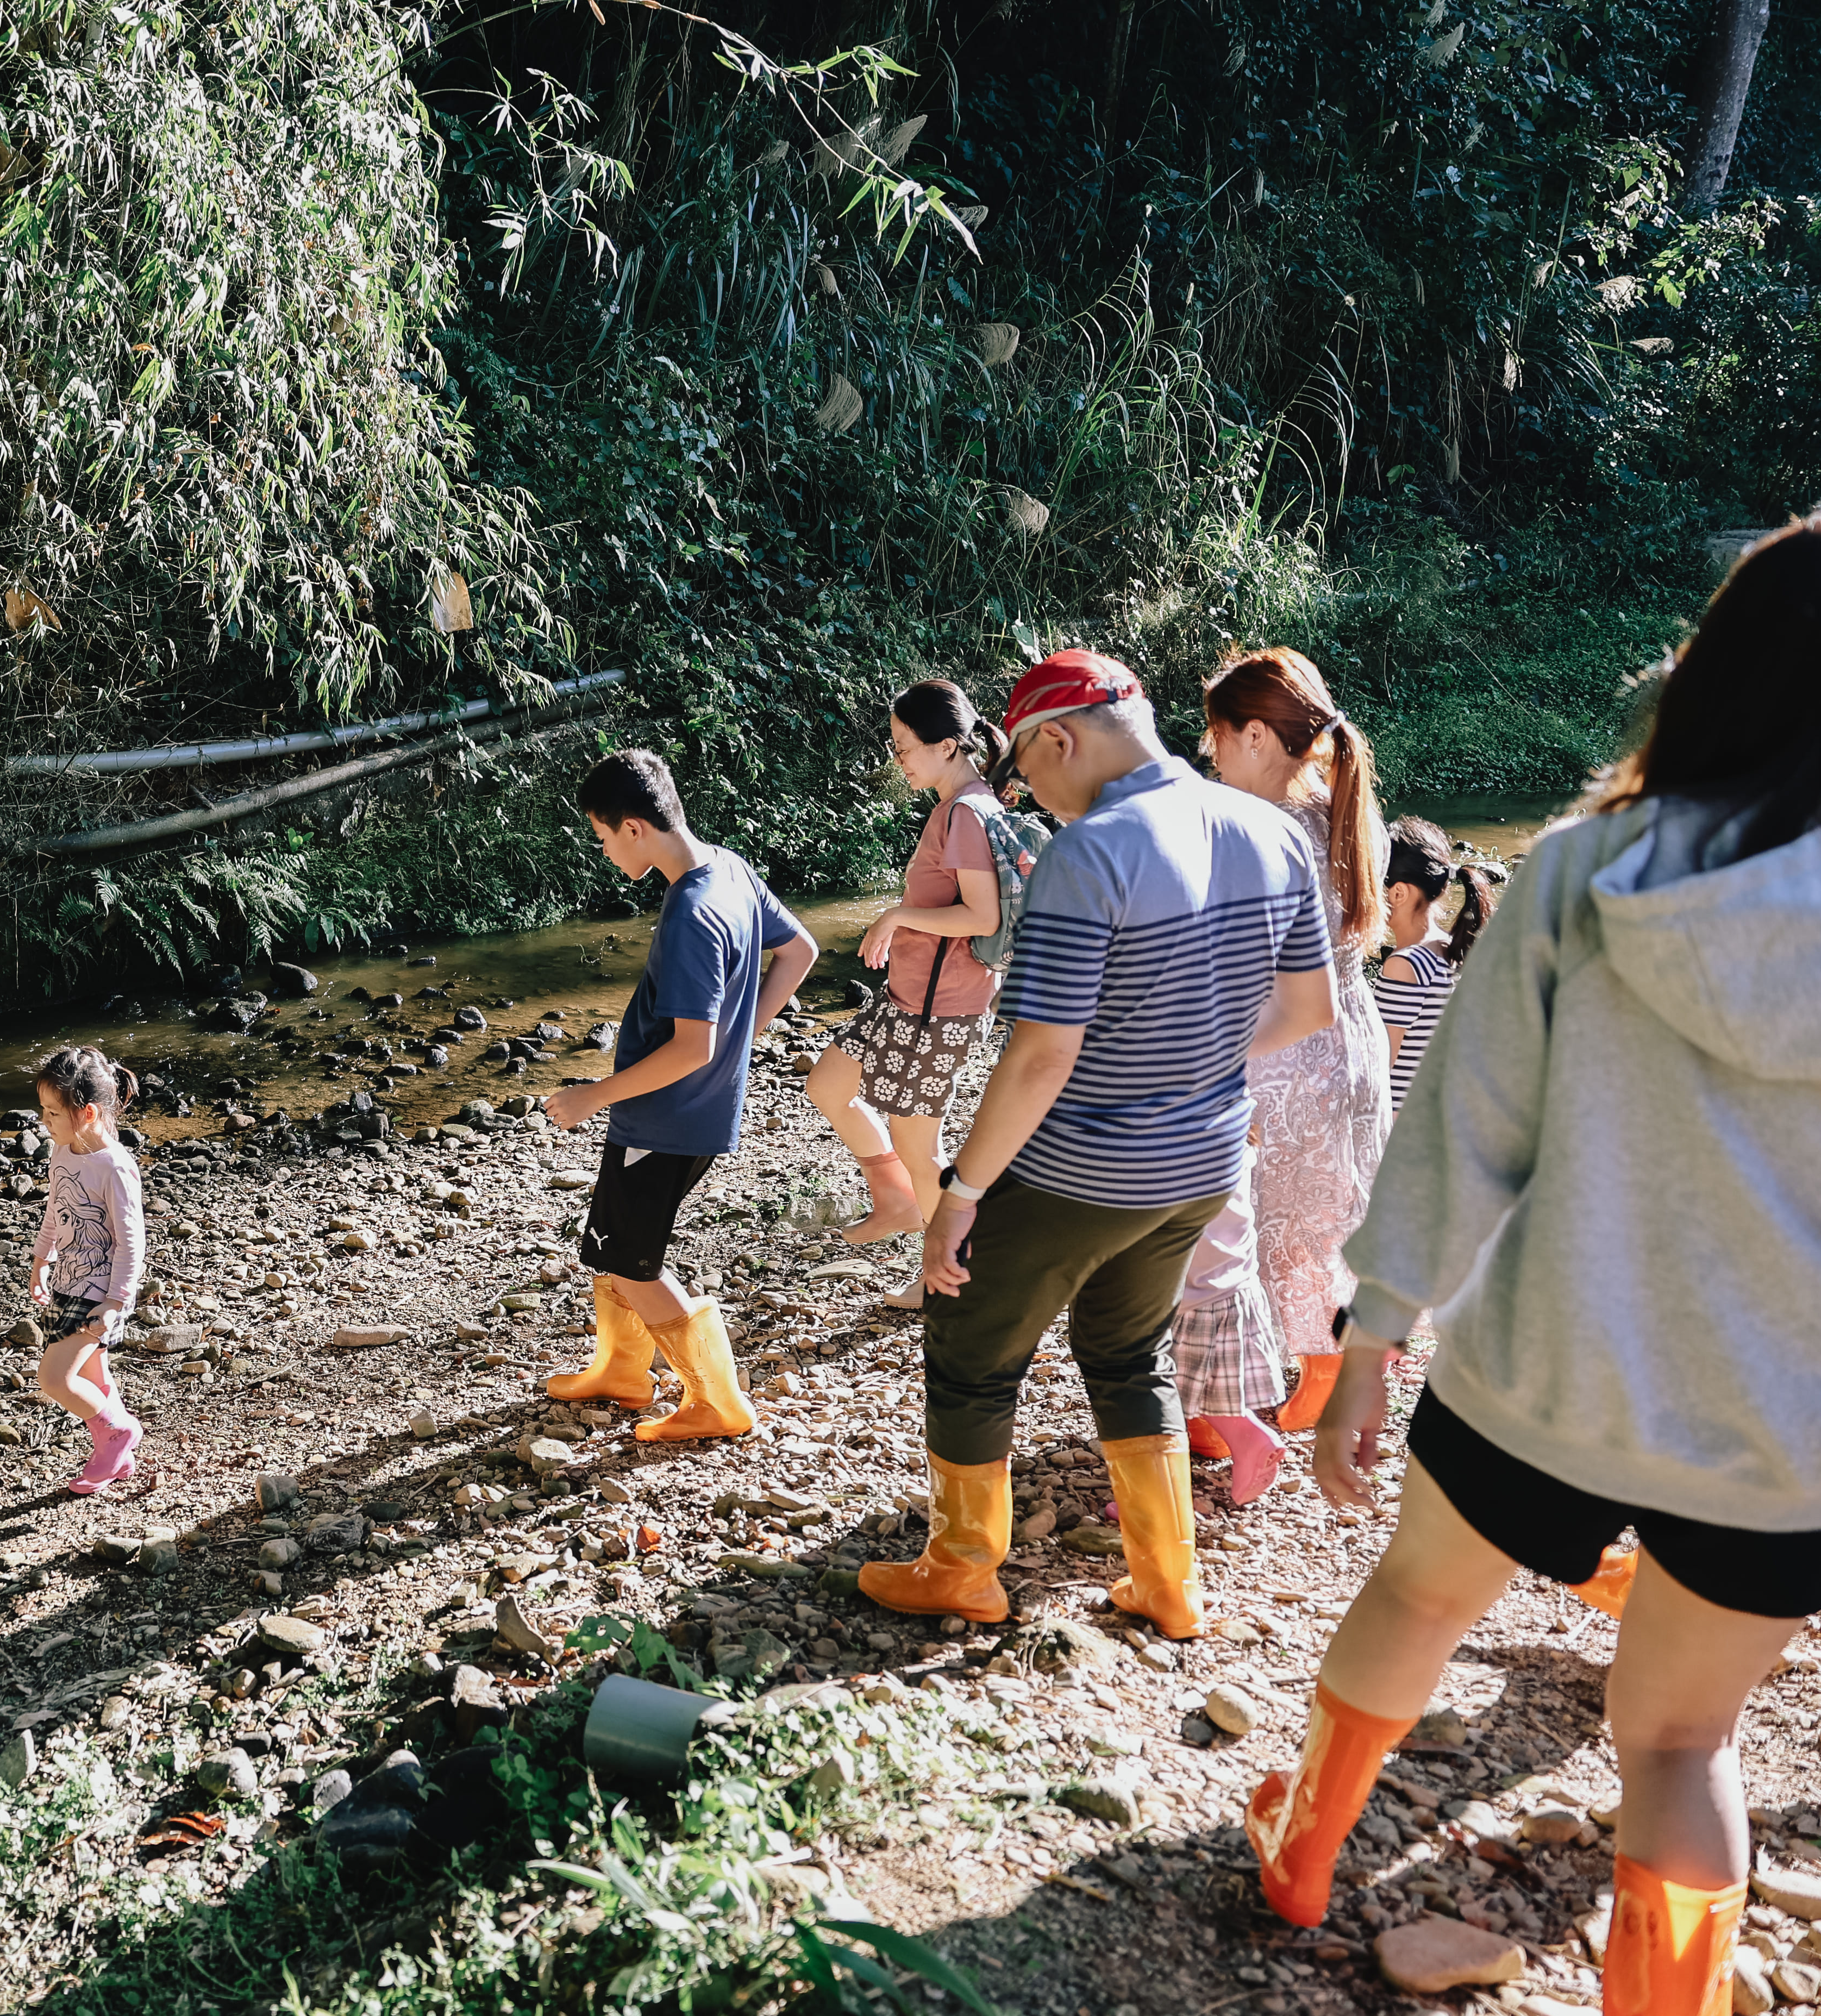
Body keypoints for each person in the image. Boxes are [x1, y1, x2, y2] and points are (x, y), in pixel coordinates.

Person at [1244, 508, 1821, 2016]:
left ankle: (1300, 1856)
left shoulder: (1582, 872)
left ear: (1716, 666)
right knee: (1678, 1740)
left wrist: (1372, 1332)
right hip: (1794, 1423)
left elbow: (1468, 1123)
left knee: (1413, 1594)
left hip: (1542, 1375)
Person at [862, 650, 1337, 1638]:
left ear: (1059, 739)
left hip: (1083, 1171)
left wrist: (959, 1193)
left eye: (1028, 771)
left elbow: (1040, 1058)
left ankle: (962, 1570)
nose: (1030, 792)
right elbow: (1309, 1008)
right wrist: (1191, 1062)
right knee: (1128, 1354)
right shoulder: (1271, 831)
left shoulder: (1092, 852)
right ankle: (1170, 1587)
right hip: (1203, 1164)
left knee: (968, 1345)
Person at [544, 748, 817, 1441]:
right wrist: (743, 1034)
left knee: (631, 1261)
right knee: (609, 1242)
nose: (604, 851)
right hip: (688, 1109)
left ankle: (716, 1401)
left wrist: (593, 1095)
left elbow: (691, 1047)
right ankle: (621, 1371)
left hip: (664, 1117)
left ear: (634, 827)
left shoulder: (692, 912)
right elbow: (801, 951)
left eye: (603, 837)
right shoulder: (726, 865)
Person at [1200, 648, 1393, 1431]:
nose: (1206, 754)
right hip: (1354, 1033)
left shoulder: (1260, 830)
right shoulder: (1344, 810)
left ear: (1252, 735)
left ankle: (1307, 1374)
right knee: (1332, 1207)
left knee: (1269, 1216)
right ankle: (1338, 1356)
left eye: (1213, 735)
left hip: (1286, 1045)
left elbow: (1239, 963)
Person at [805, 681, 1013, 1307]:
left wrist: (896, 917)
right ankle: (896, 1200)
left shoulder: (968, 814)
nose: (899, 758)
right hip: (908, 997)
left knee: (919, 1146)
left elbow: (982, 916)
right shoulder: (959, 804)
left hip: (941, 1009)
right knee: (829, 1085)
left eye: (904, 746)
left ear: (948, 745)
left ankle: (948, 1274)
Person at [26, 1045, 150, 1495]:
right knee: (96, 1377)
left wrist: (116, 1303)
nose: (45, 1120)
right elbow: (55, 1210)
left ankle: (118, 1433)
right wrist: (43, 1259)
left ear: (89, 1112)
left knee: (55, 1378)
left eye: (54, 1112)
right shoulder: (64, 1150)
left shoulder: (115, 1167)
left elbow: (131, 1241)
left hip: (100, 1290)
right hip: (68, 1279)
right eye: (43, 1109)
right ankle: (116, 1455)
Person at [1170, 1159, 1292, 1504]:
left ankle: (1156, 1493)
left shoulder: (1174, 1127)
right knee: (1203, 1385)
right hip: (1231, 1277)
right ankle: (1245, 1436)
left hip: (1189, 1287)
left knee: (1159, 1390)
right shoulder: (1231, 1119)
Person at [1372, 816, 1495, 1112]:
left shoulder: (1404, 965)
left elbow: (1380, 1064)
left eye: (1370, 883)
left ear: (1398, 893)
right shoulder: (1452, 948)